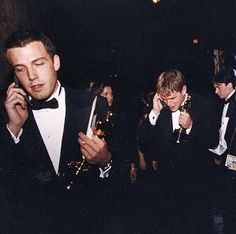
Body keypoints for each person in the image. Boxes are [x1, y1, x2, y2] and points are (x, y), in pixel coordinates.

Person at [3, 30, 113, 234]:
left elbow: (121, 177)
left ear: (55, 63)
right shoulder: (10, 115)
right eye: (21, 69)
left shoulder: (94, 104)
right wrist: (13, 129)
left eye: (38, 63)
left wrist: (105, 160)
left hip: (88, 223)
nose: (32, 76)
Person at [146, 69, 218, 234]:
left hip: (197, 182)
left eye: (173, 98)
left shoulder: (205, 104)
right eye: (165, 99)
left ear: (183, 90)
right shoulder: (161, 108)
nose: (169, 103)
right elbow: (145, 141)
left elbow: (213, 141)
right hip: (169, 183)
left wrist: (192, 126)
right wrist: (154, 113)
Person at [209, 68, 236, 234]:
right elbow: (223, 134)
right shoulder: (224, 103)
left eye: (218, 86)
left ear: (230, 85)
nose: (216, 90)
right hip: (226, 159)